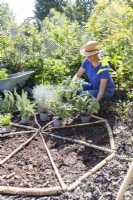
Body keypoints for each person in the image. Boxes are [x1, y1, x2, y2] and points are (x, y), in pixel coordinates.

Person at [72, 40, 115, 104]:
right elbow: (78, 74)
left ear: (96, 53)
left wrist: (95, 104)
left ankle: (101, 102)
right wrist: (72, 83)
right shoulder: (87, 60)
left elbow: (101, 90)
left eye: (90, 55)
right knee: (77, 86)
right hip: (94, 86)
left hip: (106, 92)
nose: (87, 57)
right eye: (87, 55)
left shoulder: (104, 66)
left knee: (83, 94)